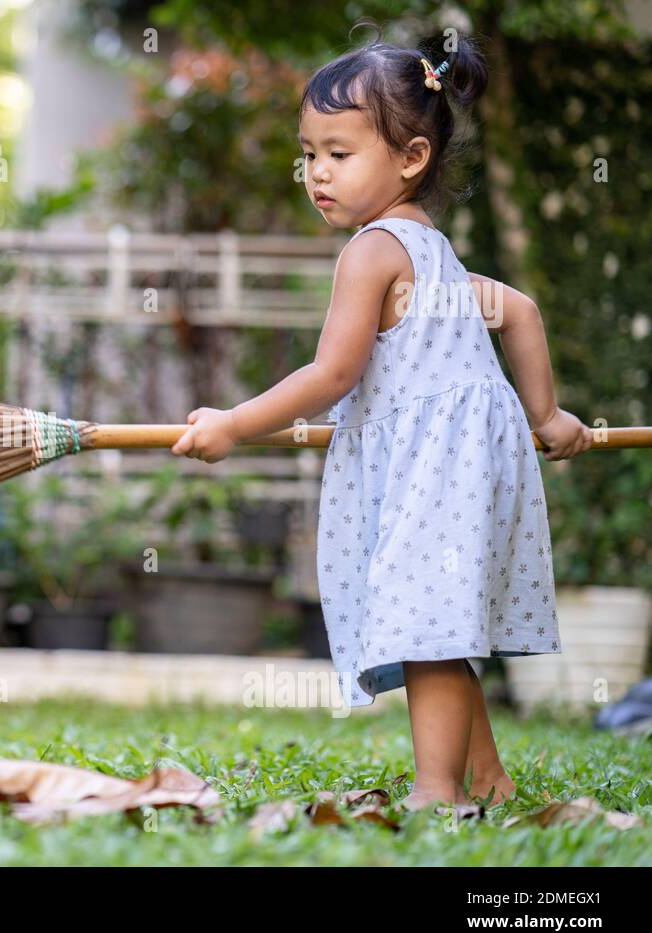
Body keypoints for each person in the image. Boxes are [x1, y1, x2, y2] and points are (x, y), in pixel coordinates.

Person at [169, 29, 594, 811]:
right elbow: (522, 312)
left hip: (438, 471)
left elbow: (333, 373)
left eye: (339, 152)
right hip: (476, 462)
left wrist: (235, 424)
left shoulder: (372, 252)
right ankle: (488, 779)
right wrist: (550, 415)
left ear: (411, 158)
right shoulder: (431, 252)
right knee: (440, 623)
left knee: (429, 633)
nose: (316, 173)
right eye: (308, 154)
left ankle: (439, 794)